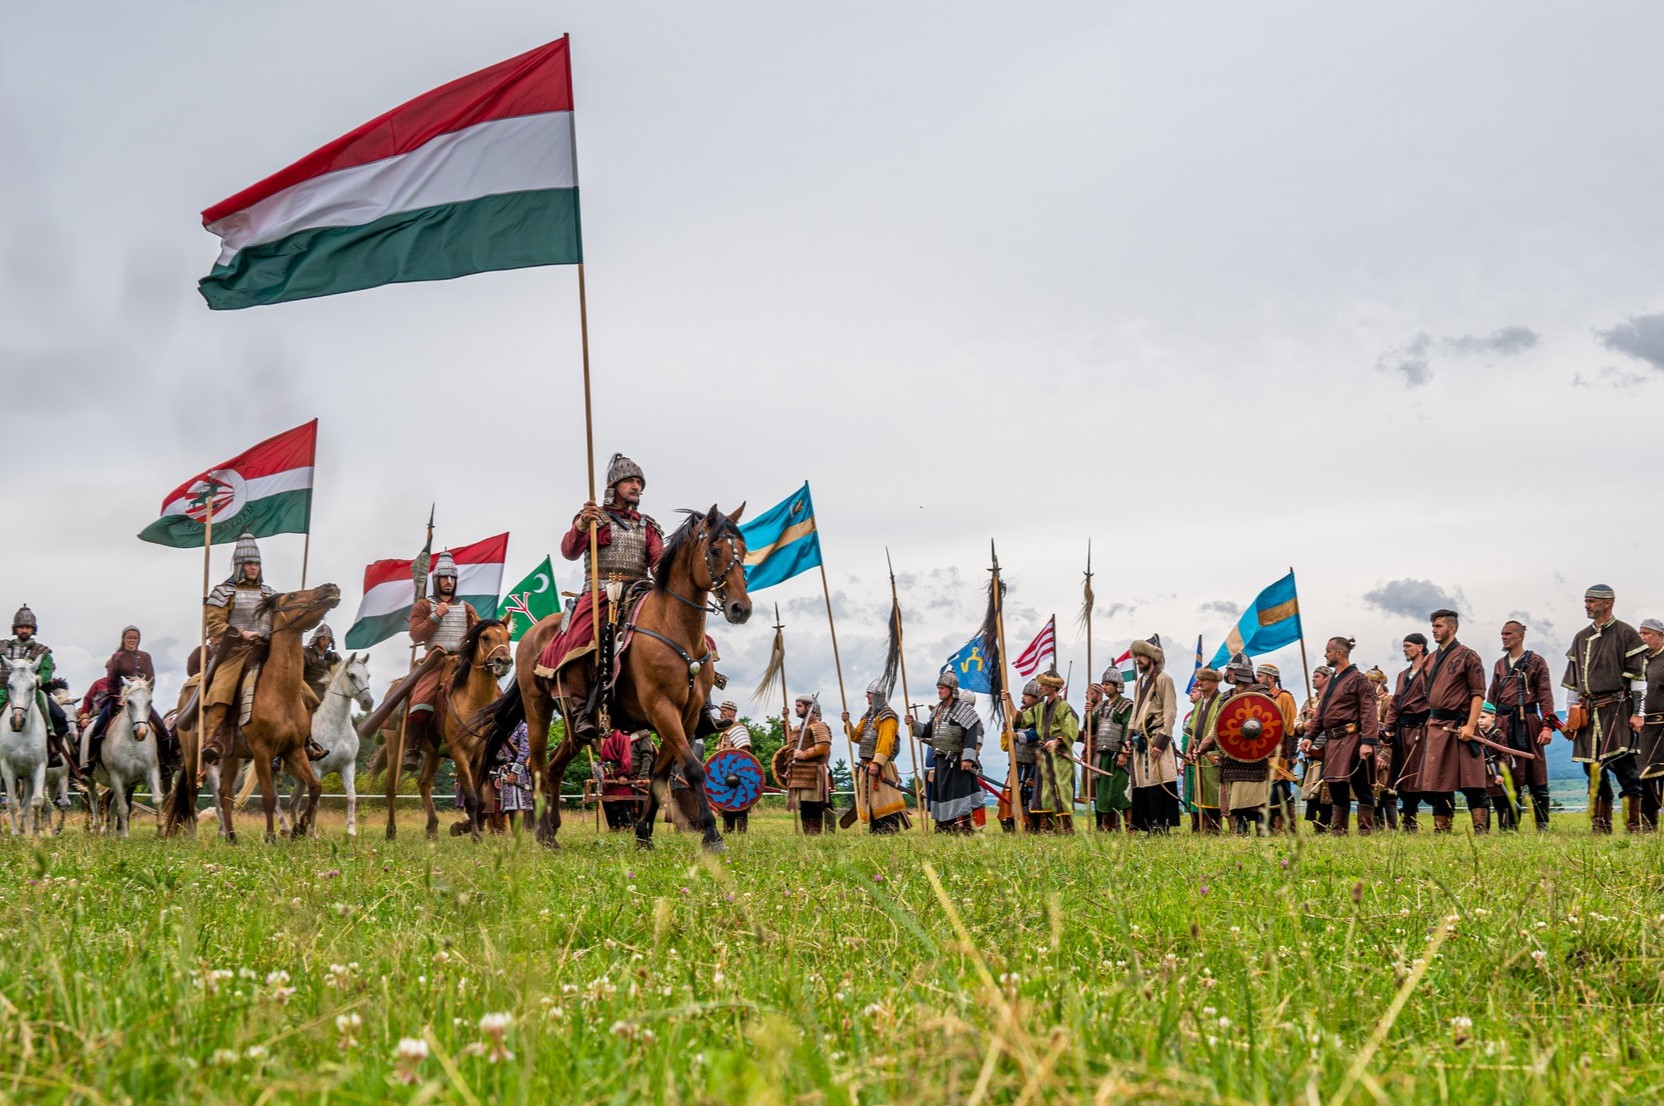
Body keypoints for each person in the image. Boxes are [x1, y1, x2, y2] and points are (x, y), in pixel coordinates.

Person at [541, 453, 664, 743]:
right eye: (630, 481)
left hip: (639, 591)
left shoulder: (649, 526)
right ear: (613, 485)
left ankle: (701, 703)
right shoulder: (596, 518)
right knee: (580, 637)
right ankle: (582, 709)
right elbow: (569, 551)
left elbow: (658, 562)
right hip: (600, 590)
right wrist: (583, 525)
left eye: (639, 482)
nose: (636, 487)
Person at [200, 535, 326, 764]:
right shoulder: (223, 592)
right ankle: (212, 739)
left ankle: (305, 740)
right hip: (237, 651)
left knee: (308, 695)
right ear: (239, 566)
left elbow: (283, 620)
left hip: (267, 650)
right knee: (222, 687)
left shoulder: (269, 593)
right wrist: (242, 633)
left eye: (256, 564)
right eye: (249, 563)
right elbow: (215, 624)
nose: (253, 568)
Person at [1563, 585, 1648, 833]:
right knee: (1592, 770)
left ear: (1607, 603)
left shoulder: (1626, 633)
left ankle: (1634, 826)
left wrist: (1638, 712)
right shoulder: (1580, 637)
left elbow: (1638, 679)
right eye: (1585, 601)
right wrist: (1571, 717)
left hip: (1617, 710)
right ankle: (1600, 826)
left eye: (1591, 601)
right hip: (1587, 713)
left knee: (1626, 769)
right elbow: (1573, 683)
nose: (1587, 605)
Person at [404, 551, 479, 770]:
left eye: (452, 578)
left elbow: (476, 635)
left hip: (462, 662)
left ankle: (499, 745)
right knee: (421, 701)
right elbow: (416, 635)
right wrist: (436, 615)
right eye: (444, 578)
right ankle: (413, 747)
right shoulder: (423, 606)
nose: (448, 582)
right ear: (436, 581)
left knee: (495, 698)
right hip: (435, 661)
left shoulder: (467, 608)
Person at [1488, 620, 1561, 832]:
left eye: (1508, 634)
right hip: (1502, 724)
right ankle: (1510, 826)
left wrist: (1547, 726)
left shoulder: (1536, 661)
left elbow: (1545, 696)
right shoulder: (1500, 665)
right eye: (1502, 634)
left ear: (1520, 636)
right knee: (1509, 773)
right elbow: (1491, 697)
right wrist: (1487, 723)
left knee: (1536, 775)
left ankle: (1542, 825)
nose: (1504, 637)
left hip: (1528, 722)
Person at [1422, 609, 1490, 833]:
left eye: (1439, 626)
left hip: (1461, 724)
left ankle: (1481, 829)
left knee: (1472, 780)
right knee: (1439, 781)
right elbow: (1427, 695)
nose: (1434, 630)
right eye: (1433, 626)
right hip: (1437, 725)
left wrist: (1471, 725)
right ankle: (1442, 830)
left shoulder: (1469, 655)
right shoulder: (1430, 659)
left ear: (1452, 628)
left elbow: (1478, 693)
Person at [1305, 637, 1380, 835]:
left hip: (1353, 739)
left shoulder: (1360, 679)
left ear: (1339, 653)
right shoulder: (1331, 680)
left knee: (1360, 784)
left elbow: (1369, 711)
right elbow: (1321, 713)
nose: (1325, 654)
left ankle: (1365, 830)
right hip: (1333, 741)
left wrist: (1368, 742)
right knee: (1336, 785)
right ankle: (1339, 830)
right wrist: (1310, 736)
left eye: (1328, 651)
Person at [908, 671, 983, 834]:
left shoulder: (964, 710)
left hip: (957, 761)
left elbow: (971, 734)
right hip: (941, 760)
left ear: (951, 689)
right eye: (938, 688)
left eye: (942, 688)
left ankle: (963, 828)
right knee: (942, 795)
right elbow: (929, 730)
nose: (939, 691)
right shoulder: (938, 710)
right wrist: (914, 724)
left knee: (959, 795)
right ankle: (944, 827)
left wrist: (968, 758)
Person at [85, 626, 170, 769]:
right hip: (118, 698)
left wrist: (144, 696)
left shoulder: (145, 657)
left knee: (164, 732)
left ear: (138, 640)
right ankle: (91, 761)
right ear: (124, 639)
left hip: (140, 699)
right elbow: (111, 680)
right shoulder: (117, 657)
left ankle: (164, 763)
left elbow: (150, 679)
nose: (132, 640)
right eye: (129, 637)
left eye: (135, 638)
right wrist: (117, 697)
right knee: (97, 728)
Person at [0, 605, 74, 770]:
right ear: (15, 629)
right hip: (4, 690)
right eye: (21, 627)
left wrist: (38, 678)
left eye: (28, 627)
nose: (24, 630)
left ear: (33, 629)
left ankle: (52, 749)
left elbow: (46, 671)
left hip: (32, 691)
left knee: (59, 717)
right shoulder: (2, 648)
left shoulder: (41, 651)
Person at [1209, 653, 1273, 834]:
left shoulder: (1260, 693)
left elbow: (1271, 722)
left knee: (1255, 796)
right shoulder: (1226, 696)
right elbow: (1218, 725)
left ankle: (1261, 831)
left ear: (1242, 671)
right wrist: (1205, 745)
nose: (1227, 673)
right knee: (1236, 797)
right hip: (1231, 754)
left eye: (1231, 670)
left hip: (1254, 752)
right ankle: (1240, 828)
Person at [1009, 670, 1077, 833]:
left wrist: (1057, 741)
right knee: (1042, 791)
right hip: (1043, 754)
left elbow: (1071, 728)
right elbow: (1021, 719)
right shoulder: (1039, 708)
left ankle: (1065, 827)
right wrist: (1008, 700)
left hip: (1060, 756)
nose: (1041, 687)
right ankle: (1047, 827)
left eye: (1045, 684)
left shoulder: (1064, 707)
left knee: (1061, 790)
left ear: (1054, 686)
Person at [1126, 636, 1180, 833]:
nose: (1138, 659)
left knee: (1159, 780)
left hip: (1156, 737)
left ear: (1151, 657)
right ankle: (1148, 825)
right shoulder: (1139, 682)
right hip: (1140, 740)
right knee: (1142, 783)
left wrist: (1160, 742)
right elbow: (1135, 711)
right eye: (1136, 655)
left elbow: (1170, 711)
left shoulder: (1164, 679)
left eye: (1141, 655)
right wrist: (1128, 737)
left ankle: (1161, 826)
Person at [845, 682, 909, 834]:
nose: (867, 695)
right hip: (867, 764)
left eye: (869, 693)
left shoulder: (887, 716)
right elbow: (856, 736)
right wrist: (847, 723)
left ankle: (889, 830)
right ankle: (876, 831)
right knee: (872, 802)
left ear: (878, 696)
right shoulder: (868, 717)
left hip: (882, 766)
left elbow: (885, 742)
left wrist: (877, 763)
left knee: (885, 800)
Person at [1384, 634, 1431, 831]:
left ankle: (1443, 819)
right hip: (1402, 732)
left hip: (1423, 730)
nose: (1404, 649)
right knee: (1403, 779)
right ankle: (1409, 822)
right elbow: (1395, 704)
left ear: (1420, 647)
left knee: (1425, 776)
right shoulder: (1403, 675)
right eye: (1403, 646)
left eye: (1408, 646)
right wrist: (1388, 727)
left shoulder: (1430, 672)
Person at [1086, 669, 1133, 831]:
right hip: (1102, 757)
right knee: (1104, 793)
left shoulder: (1126, 704)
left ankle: (1130, 827)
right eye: (1103, 684)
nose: (1104, 687)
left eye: (1107, 684)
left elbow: (1128, 728)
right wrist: (1089, 712)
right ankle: (1108, 828)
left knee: (1122, 792)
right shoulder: (1101, 706)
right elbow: (1090, 728)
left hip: (1118, 756)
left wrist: (1123, 752)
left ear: (1117, 686)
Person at [1257, 663, 1300, 834]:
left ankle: (1286, 827)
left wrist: (1291, 754)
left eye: (1260, 676)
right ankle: (1267, 827)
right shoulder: (1257, 697)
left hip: (1279, 754)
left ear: (1271, 678)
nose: (1257, 679)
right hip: (1260, 754)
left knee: (1280, 789)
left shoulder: (1284, 697)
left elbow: (1291, 727)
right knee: (1264, 791)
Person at [1184, 668, 1226, 834]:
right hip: (1198, 755)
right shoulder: (1200, 703)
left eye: (1204, 680)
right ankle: (1206, 827)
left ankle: (1217, 828)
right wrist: (1188, 751)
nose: (1199, 683)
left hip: (1214, 753)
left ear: (1214, 682)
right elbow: (1191, 728)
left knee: (1216, 793)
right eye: (1199, 680)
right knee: (1202, 793)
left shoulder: (1222, 700)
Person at [784, 694, 833, 834]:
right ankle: (808, 835)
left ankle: (815, 836)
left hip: (814, 771)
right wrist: (785, 721)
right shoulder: (798, 727)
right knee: (804, 806)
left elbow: (824, 746)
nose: (796, 709)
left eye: (799, 706)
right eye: (796, 706)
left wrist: (804, 754)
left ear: (809, 708)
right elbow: (791, 744)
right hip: (800, 771)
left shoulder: (819, 726)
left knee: (813, 805)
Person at [1633, 617, 1664, 830]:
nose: (1642, 638)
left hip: (1663, 726)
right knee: (1644, 777)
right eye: (1640, 634)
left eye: (1647, 633)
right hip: (1643, 729)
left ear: (1661, 636)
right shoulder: (1638, 662)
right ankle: (1648, 824)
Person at [1295, 666, 1334, 831]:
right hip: (1311, 751)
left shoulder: (1334, 699)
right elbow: (1295, 724)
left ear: (1327, 678)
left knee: (1328, 792)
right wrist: (1305, 724)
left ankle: (1328, 823)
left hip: (1330, 750)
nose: (1313, 679)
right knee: (1313, 793)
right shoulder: (1308, 702)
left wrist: (1319, 714)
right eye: (1313, 676)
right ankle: (1317, 825)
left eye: (1317, 676)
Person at [1004, 679, 1044, 831]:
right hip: (1019, 760)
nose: (1024, 698)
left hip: (1032, 761)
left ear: (1036, 698)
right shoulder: (1024, 713)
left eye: (1027, 695)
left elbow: (1035, 734)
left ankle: (1034, 825)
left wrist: (1015, 736)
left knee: (1030, 794)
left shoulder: (1039, 713)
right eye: (1023, 695)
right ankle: (1022, 823)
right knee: (1018, 794)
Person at [712, 701, 754, 834]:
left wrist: (738, 773)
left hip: (738, 775)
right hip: (725, 775)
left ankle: (742, 835)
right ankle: (728, 833)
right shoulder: (725, 730)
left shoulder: (737, 728)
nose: (721, 713)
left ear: (732, 712)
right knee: (727, 805)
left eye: (724, 710)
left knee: (740, 805)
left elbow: (744, 753)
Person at [1365, 665, 1396, 829]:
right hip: (1369, 749)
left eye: (1370, 682)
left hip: (1384, 749)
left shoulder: (1388, 701)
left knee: (1387, 791)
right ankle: (1377, 826)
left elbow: (1391, 729)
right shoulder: (1366, 702)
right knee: (1372, 790)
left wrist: (1385, 753)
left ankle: (1392, 827)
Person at [494, 721, 534, 830]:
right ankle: (514, 835)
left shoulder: (523, 727)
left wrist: (515, 772)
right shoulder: (504, 728)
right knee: (510, 807)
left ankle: (521, 835)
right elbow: (500, 754)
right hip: (504, 771)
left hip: (518, 771)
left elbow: (525, 750)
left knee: (519, 805)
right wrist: (498, 775)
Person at [598, 728, 638, 830]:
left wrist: (624, 773)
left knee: (621, 800)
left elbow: (626, 754)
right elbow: (602, 757)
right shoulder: (606, 734)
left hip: (619, 773)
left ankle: (626, 827)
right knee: (608, 801)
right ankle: (613, 828)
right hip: (607, 773)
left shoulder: (621, 733)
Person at [302, 623, 341, 702]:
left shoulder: (334, 657)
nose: (326, 643)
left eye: (328, 639)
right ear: (317, 639)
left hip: (326, 697)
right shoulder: (306, 653)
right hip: (305, 695)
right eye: (323, 639)